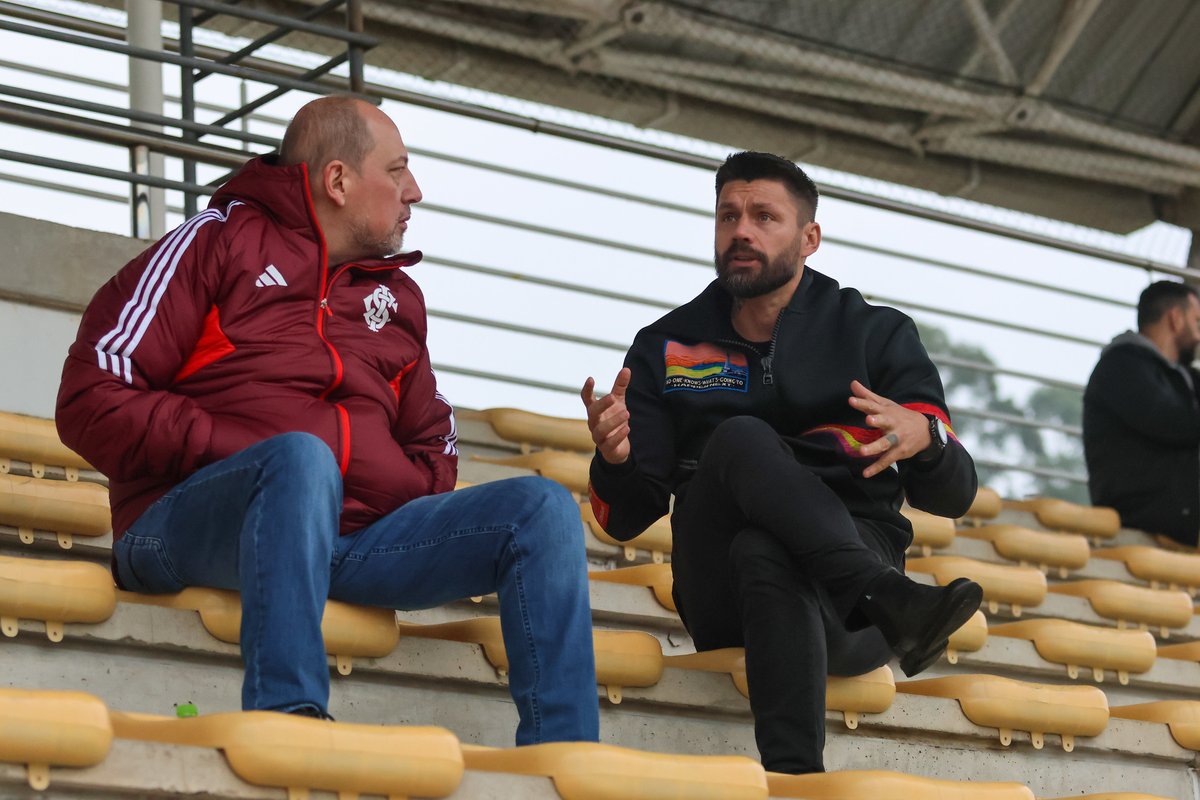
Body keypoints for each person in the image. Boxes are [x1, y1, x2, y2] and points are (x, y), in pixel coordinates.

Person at [56, 95, 599, 744]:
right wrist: (244, 453)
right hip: (180, 524)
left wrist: (384, 494)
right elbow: (92, 394)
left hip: (352, 542)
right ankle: (291, 720)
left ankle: (565, 753)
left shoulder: (396, 298)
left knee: (541, 508)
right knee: (301, 459)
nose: (415, 192)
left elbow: (435, 439)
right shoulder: (218, 242)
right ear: (338, 180)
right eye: (397, 171)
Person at [580, 151, 982, 774]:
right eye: (728, 215)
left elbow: (955, 495)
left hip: (848, 616)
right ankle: (888, 596)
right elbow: (626, 518)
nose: (741, 230)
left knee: (767, 547)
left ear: (809, 238)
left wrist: (927, 438)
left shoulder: (875, 333)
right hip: (726, 596)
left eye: (764, 216)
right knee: (740, 440)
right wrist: (614, 458)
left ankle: (795, 781)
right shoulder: (667, 344)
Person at [1084, 280, 1200, 549]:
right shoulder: (1121, 366)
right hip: (1143, 515)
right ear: (1175, 318)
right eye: (1197, 321)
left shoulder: (1183, 377)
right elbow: (1174, 423)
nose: (1198, 335)